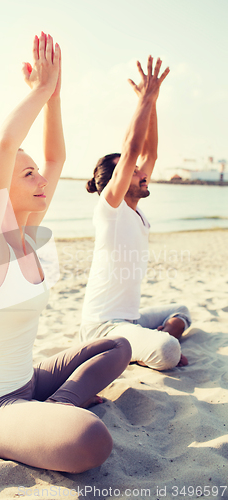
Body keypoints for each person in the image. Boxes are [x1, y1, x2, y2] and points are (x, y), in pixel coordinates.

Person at [0, 33, 131, 474]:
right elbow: (7, 143)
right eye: (27, 173)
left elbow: (56, 156)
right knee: (90, 439)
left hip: (27, 381)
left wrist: (54, 96)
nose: (41, 179)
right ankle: (60, 410)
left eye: (38, 173)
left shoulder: (27, 232)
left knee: (117, 346)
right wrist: (36, 90)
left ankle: (59, 402)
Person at [80, 56, 191, 371]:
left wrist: (152, 101)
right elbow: (131, 150)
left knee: (181, 310)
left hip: (129, 319)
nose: (142, 171)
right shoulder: (109, 210)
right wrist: (142, 100)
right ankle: (149, 345)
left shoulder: (134, 210)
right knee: (169, 350)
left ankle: (146, 340)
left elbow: (149, 152)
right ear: (114, 182)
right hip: (103, 326)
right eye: (131, 170)